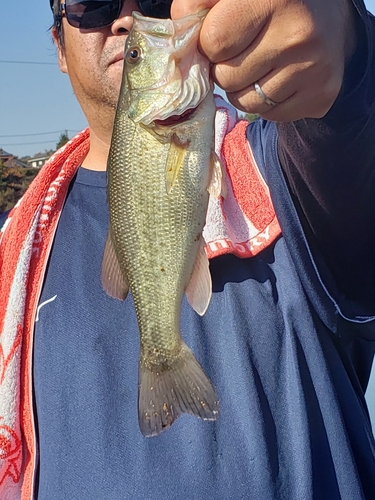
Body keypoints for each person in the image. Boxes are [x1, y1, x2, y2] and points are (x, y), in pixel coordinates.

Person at [0, 0, 374, 498]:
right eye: (90, 4)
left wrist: (352, 53)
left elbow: (353, 135)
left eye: (155, 0)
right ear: (58, 47)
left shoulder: (287, 168)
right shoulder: (13, 253)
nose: (128, 19)